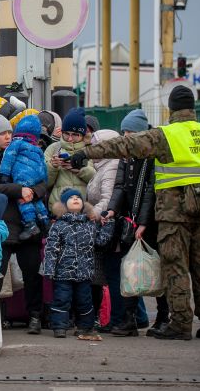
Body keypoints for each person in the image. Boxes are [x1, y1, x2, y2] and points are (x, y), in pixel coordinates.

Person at [71, 86, 200, 340]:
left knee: (176, 267)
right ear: (192, 108)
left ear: (171, 108)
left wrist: (85, 152)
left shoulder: (165, 135)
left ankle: (181, 325)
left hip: (173, 214)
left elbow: (123, 145)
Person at [99, 109, 164, 336]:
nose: (126, 136)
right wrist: (111, 210)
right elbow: (120, 186)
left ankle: (162, 317)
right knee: (129, 270)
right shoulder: (127, 156)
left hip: (148, 221)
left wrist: (144, 222)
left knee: (155, 268)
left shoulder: (152, 156)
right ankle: (129, 320)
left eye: (130, 132)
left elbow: (150, 191)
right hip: (130, 219)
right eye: (124, 131)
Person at [0, 111, 46, 335]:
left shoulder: (31, 152)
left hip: (27, 224)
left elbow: (43, 181)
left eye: (10, 132)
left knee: (32, 274)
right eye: (2, 133)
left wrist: (32, 191)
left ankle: (35, 316)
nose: (7, 137)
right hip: (3, 224)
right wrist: (18, 190)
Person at [43, 188, 115, 339]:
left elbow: (100, 242)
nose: (76, 199)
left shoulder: (89, 224)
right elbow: (51, 248)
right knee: (62, 299)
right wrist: (49, 269)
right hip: (63, 272)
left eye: (78, 197)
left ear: (83, 204)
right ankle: (59, 326)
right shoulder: (59, 225)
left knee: (85, 300)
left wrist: (108, 225)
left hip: (84, 272)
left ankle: (85, 327)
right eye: (71, 198)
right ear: (64, 204)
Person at [84, 128, 120, 331]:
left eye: (97, 146)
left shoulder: (111, 167)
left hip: (106, 226)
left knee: (111, 275)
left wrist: (90, 215)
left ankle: (117, 319)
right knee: (105, 275)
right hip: (100, 225)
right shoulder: (103, 165)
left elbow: (107, 200)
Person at [0, 114, 50, 240]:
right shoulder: (37, 148)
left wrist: (4, 174)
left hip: (23, 175)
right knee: (35, 199)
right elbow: (43, 166)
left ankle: (30, 223)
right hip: (37, 177)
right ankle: (44, 220)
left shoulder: (16, 143)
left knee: (23, 198)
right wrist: (44, 179)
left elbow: (8, 158)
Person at [45, 108, 95, 206]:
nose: (70, 138)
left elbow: (96, 181)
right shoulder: (53, 149)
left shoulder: (90, 150)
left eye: (75, 135)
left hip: (83, 207)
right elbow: (44, 183)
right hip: (58, 208)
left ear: (82, 135)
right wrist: (52, 166)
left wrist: (80, 169)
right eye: (66, 134)